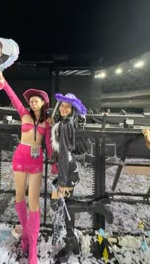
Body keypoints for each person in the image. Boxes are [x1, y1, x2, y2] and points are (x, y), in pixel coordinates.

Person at [0, 70, 52, 264]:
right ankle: (25, 234)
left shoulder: (48, 122)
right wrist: (3, 80)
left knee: (33, 203)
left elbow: (51, 145)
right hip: (20, 157)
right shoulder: (23, 114)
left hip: (36, 161)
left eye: (37, 100)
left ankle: (32, 246)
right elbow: (13, 97)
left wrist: (56, 164)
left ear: (43, 103)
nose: (33, 102)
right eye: (32, 100)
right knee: (19, 196)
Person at [50, 93, 113, 263]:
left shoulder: (66, 125)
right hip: (68, 168)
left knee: (59, 204)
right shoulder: (65, 123)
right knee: (63, 206)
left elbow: (64, 153)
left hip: (68, 169)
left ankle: (95, 207)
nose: (63, 109)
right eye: (62, 105)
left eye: (67, 107)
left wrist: (62, 181)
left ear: (72, 110)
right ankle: (72, 242)